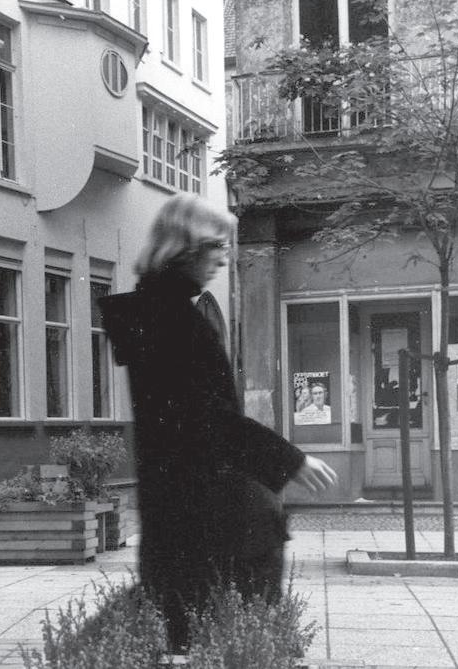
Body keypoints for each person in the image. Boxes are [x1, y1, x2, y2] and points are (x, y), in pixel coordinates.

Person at [99, 194, 337, 652]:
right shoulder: (176, 320)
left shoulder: (156, 312)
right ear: (186, 247)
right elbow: (207, 419)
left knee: (187, 626)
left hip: (177, 507)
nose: (225, 259)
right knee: (222, 626)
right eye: (218, 246)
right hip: (200, 509)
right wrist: (290, 460)